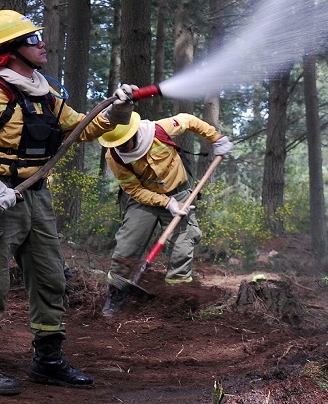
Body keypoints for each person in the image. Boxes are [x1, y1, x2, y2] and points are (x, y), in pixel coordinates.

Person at [0, 9, 136, 396]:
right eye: (31, 40)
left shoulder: (47, 92)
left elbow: (81, 128)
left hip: (35, 196)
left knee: (50, 275)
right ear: (10, 50)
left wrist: (117, 111)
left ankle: (47, 360)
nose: (41, 43)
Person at [98, 111, 233, 317]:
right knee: (127, 245)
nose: (121, 147)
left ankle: (177, 299)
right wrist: (166, 202)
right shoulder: (114, 156)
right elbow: (133, 189)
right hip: (144, 198)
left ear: (133, 133)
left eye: (124, 142)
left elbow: (189, 120)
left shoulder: (158, 129)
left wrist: (216, 138)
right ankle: (116, 295)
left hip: (179, 193)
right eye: (117, 144)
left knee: (182, 245)